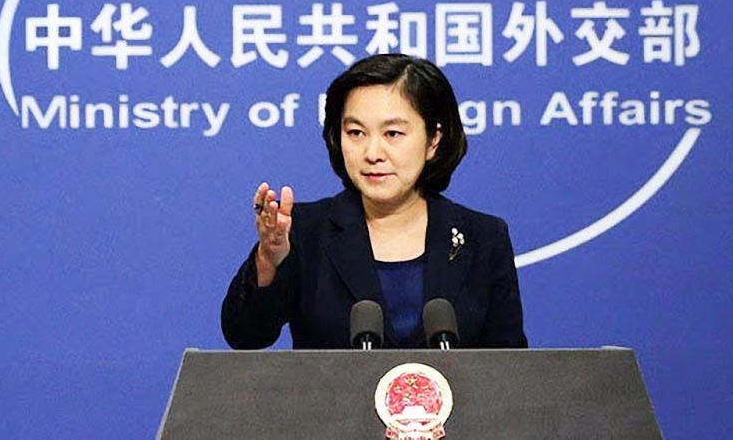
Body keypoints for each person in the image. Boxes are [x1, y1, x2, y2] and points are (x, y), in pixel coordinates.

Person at [221, 54, 527, 349]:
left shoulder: (484, 238)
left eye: (392, 133)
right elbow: (245, 336)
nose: (372, 153)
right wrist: (269, 259)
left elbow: (509, 367)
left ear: (433, 140)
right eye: (356, 133)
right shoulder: (305, 231)